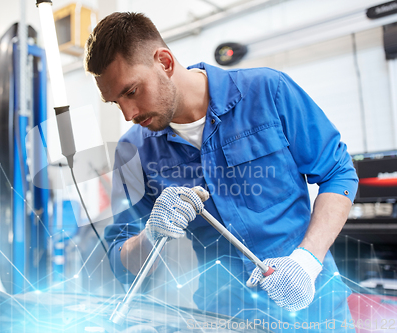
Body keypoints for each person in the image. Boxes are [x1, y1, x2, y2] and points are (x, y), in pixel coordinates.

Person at [85, 12, 358, 332]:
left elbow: (338, 173)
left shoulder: (268, 91)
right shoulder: (134, 151)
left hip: (313, 310)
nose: (128, 113)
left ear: (165, 62)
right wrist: (151, 235)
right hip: (224, 318)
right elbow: (121, 256)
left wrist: (307, 262)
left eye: (131, 92)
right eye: (115, 102)